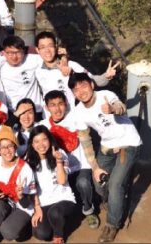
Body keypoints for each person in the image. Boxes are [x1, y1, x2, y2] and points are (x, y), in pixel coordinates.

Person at [69, 73, 141, 243]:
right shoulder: (78, 112)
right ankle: (113, 200)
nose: (81, 91)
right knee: (98, 182)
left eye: (83, 86)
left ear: (92, 85)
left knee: (115, 184)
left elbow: (120, 106)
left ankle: (112, 224)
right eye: (76, 89)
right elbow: (85, 141)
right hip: (107, 147)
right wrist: (94, 167)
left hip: (127, 144)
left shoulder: (105, 95)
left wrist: (113, 109)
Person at [42, 90, 99, 230]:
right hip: (59, 169)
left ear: (66, 104)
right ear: (46, 107)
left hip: (81, 165)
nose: (57, 109)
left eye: (60, 104)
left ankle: (89, 210)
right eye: (53, 105)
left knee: (83, 183)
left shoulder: (75, 117)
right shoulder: (43, 126)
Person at [33, 31, 119, 110]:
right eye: (42, 47)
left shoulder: (72, 65)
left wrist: (106, 76)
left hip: (74, 115)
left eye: (50, 46)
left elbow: (92, 81)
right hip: (50, 116)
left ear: (56, 47)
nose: (47, 50)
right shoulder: (37, 70)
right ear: (37, 50)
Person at [0, 126, 36, 244]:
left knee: (8, 233)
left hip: (23, 206)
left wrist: (21, 195)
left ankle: (25, 225)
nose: (7, 151)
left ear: (15, 147)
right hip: (7, 201)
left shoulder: (25, 169)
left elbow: (27, 204)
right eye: (3, 147)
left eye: (10, 146)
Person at [26, 125, 76, 244]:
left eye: (44, 139)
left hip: (64, 199)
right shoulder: (28, 161)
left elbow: (62, 181)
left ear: (49, 140)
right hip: (44, 202)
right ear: (32, 144)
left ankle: (58, 235)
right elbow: (32, 188)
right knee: (41, 233)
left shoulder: (60, 153)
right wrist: (37, 208)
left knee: (55, 213)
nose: (41, 144)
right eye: (36, 141)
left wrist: (59, 161)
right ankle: (57, 222)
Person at [0, 35, 45, 113]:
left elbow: (49, 57)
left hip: (36, 110)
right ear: (4, 53)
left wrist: (63, 57)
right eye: (10, 53)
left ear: (23, 52)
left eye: (18, 52)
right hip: (15, 112)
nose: (14, 56)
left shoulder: (30, 59)